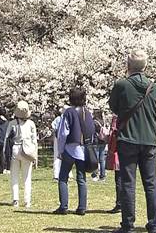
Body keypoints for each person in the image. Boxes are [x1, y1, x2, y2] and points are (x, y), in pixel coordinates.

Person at [109, 49, 156, 233]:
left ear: (128, 65)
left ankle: (128, 224)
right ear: (145, 66)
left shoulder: (121, 85)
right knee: (150, 183)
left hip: (128, 139)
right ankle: (154, 224)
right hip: (149, 140)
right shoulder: (154, 88)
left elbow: (113, 107)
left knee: (128, 182)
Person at [54, 87, 95, 216]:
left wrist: (60, 150)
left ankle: (63, 206)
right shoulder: (87, 113)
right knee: (81, 178)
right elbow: (92, 130)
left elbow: (62, 133)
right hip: (83, 149)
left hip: (70, 149)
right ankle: (82, 207)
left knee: (63, 178)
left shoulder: (69, 112)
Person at [3, 100, 38, 208]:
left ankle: (15, 199)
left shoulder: (12, 123)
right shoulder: (31, 124)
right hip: (27, 150)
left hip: (15, 150)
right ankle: (27, 201)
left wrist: (5, 153)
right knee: (27, 177)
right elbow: (34, 141)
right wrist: (35, 156)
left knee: (14, 175)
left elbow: (6, 139)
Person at [106, 114, 122, 214]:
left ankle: (120, 203)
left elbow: (113, 135)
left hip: (118, 151)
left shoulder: (117, 118)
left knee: (119, 179)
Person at [51, 107, 72, 181]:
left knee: (57, 156)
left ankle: (56, 175)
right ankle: (69, 174)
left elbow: (53, 127)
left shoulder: (58, 119)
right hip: (68, 139)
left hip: (58, 139)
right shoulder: (70, 119)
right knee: (68, 156)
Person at [91, 109, 109, 182]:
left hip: (96, 142)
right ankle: (102, 175)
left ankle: (95, 174)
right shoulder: (102, 122)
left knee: (95, 159)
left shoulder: (94, 122)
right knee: (102, 160)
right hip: (103, 142)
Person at [0, 107, 10, 174]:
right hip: (6, 139)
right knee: (7, 153)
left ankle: (1, 168)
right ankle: (7, 168)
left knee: (0, 154)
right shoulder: (8, 122)